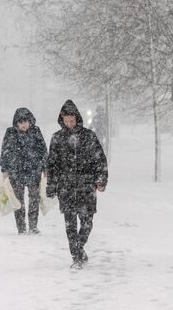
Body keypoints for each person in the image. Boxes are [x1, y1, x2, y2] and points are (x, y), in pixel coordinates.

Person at [46, 100, 108, 268]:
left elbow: (99, 159)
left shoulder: (89, 136)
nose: (69, 123)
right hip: (65, 188)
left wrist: (101, 179)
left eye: (72, 120)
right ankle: (77, 257)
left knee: (87, 222)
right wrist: (51, 185)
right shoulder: (57, 138)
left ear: (77, 118)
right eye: (66, 121)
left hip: (86, 185)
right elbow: (52, 164)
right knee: (70, 225)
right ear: (62, 120)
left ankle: (78, 247)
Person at [0, 108, 47, 235]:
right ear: (16, 122)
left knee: (34, 200)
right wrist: (4, 170)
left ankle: (33, 226)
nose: (23, 124)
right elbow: (5, 151)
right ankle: (21, 227)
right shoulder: (10, 133)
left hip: (34, 170)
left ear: (30, 121)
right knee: (18, 201)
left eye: (26, 121)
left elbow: (43, 150)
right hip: (16, 171)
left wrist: (45, 168)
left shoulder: (36, 131)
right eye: (20, 122)